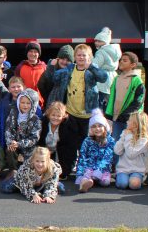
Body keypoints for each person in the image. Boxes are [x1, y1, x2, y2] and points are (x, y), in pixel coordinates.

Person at [44, 43, 109, 182]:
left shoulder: (92, 70)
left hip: (87, 114)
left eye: (84, 55)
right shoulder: (69, 69)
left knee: (87, 144)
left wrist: (90, 66)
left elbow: (104, 77)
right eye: (78, 55)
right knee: (69, 144)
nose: (81, 58)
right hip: (71, 113)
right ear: (75, 57)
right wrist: (51, 65)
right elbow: (52, 77)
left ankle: (88, 170)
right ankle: (66, 170)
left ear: (89, 57)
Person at [105, 51, 145, 141]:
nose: (121, 62)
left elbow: (139, 100)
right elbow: (112, 98)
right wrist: (109, 113)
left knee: (130, 142)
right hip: (117, 118)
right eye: (121, 60)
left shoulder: (136, 80)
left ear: (133, 64)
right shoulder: (117, 79)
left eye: (125, 60)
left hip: (130, 119)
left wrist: (127, 113)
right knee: (116, 143)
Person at [3, 88, 42, 171]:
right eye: (23, 102)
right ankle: (14, 172)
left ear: (33, 104)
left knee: (34, 156)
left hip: (29, 149)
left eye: (28, 103)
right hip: (15, 147)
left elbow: (34, 138)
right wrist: (11, 142)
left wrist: (19, 144)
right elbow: (8, 130)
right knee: (10, 149)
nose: (25, 105)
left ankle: (27, 171)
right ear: (18, 103)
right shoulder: (13, 114)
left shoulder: (36, 120)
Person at [114, 111, 148, 190]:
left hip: (137, 170)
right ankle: (119, 176)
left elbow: (130, 154)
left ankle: (137, 179)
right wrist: (123, 137)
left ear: (136, 124)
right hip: (123, 169)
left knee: (134, 185)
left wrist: (128, 136)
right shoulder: (125, 133)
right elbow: (117, 151)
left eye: (129, 120)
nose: (127, 122)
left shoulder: (143, 139)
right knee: (122, 184)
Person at [91, 27, 121, 111]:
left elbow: (95, 64)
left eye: (99, 41)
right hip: (112, 76)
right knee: (109, 100)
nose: (96, 43)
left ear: (105, 42)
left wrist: (89, 59)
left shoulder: (101, 52)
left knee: (100, 101)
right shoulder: (115, 51)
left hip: (102, 79)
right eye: (95, 41)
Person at [14, 42, 46, 106]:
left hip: (39, 103)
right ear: (27, 53)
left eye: (35, 52)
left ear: (39, 54)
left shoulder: (44, 67)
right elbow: (16, 84)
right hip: (24, 102)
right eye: (30, 51)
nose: (33, 54)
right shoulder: (20, 67)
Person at [41, 101, 68, 166]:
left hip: (59, 153)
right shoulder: (43, 124)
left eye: (59, 116)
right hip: (44, 151)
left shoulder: (66, 127)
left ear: (63, 117)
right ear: (49, 115)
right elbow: (39, 142)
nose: (55, 118)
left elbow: (66, 147)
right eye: (53, 115)